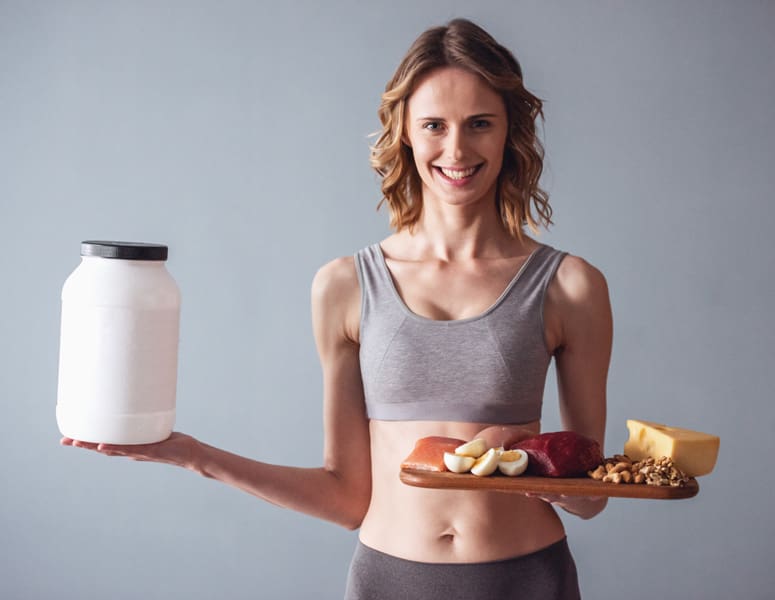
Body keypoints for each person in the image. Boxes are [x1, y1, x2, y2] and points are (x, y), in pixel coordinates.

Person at [61, 18, 612, 600]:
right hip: (389, 579)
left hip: (525, 577)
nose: (456, 149)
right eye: (434, 125)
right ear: (403, 131)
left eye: (480, 124)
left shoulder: (570, 286)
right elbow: (348, 497)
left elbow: (591, 498)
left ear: (509, 133)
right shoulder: (345, 286)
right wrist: (194, 456)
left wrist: (520, 457)